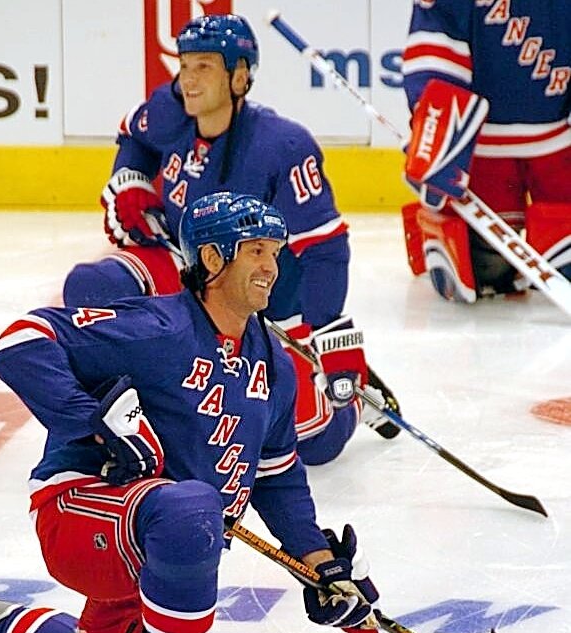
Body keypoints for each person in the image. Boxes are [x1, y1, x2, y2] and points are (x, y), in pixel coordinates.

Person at [0, 192, 381, 633]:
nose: (272, 267)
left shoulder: (273, 363)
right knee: (193, 509)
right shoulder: (158, 326)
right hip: (80, 510)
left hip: (162, 540)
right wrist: (93, 424)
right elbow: (21, 341)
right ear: (212, 260)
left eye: (275, 252)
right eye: (256, 252)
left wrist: (319, 562)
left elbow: (278, 477)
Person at [62, 12, 402, 463]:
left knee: (311, 442)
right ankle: (130, 413)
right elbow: (134, 137)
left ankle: (357, 401)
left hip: (266, 305)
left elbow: (324, 248)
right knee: (95, 286)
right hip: (186, 272)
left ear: (239, 75)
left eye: (204, 66)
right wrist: (131, 181)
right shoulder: (172, 111)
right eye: (185, 66)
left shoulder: (283, 145)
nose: (189, 79)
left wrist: (330, 332)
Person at [401, 0, 571, 303]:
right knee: (487, 268)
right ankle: (445, 233)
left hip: (558, 145)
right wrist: (434, 127)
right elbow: (436, 46)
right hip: (483, 153)